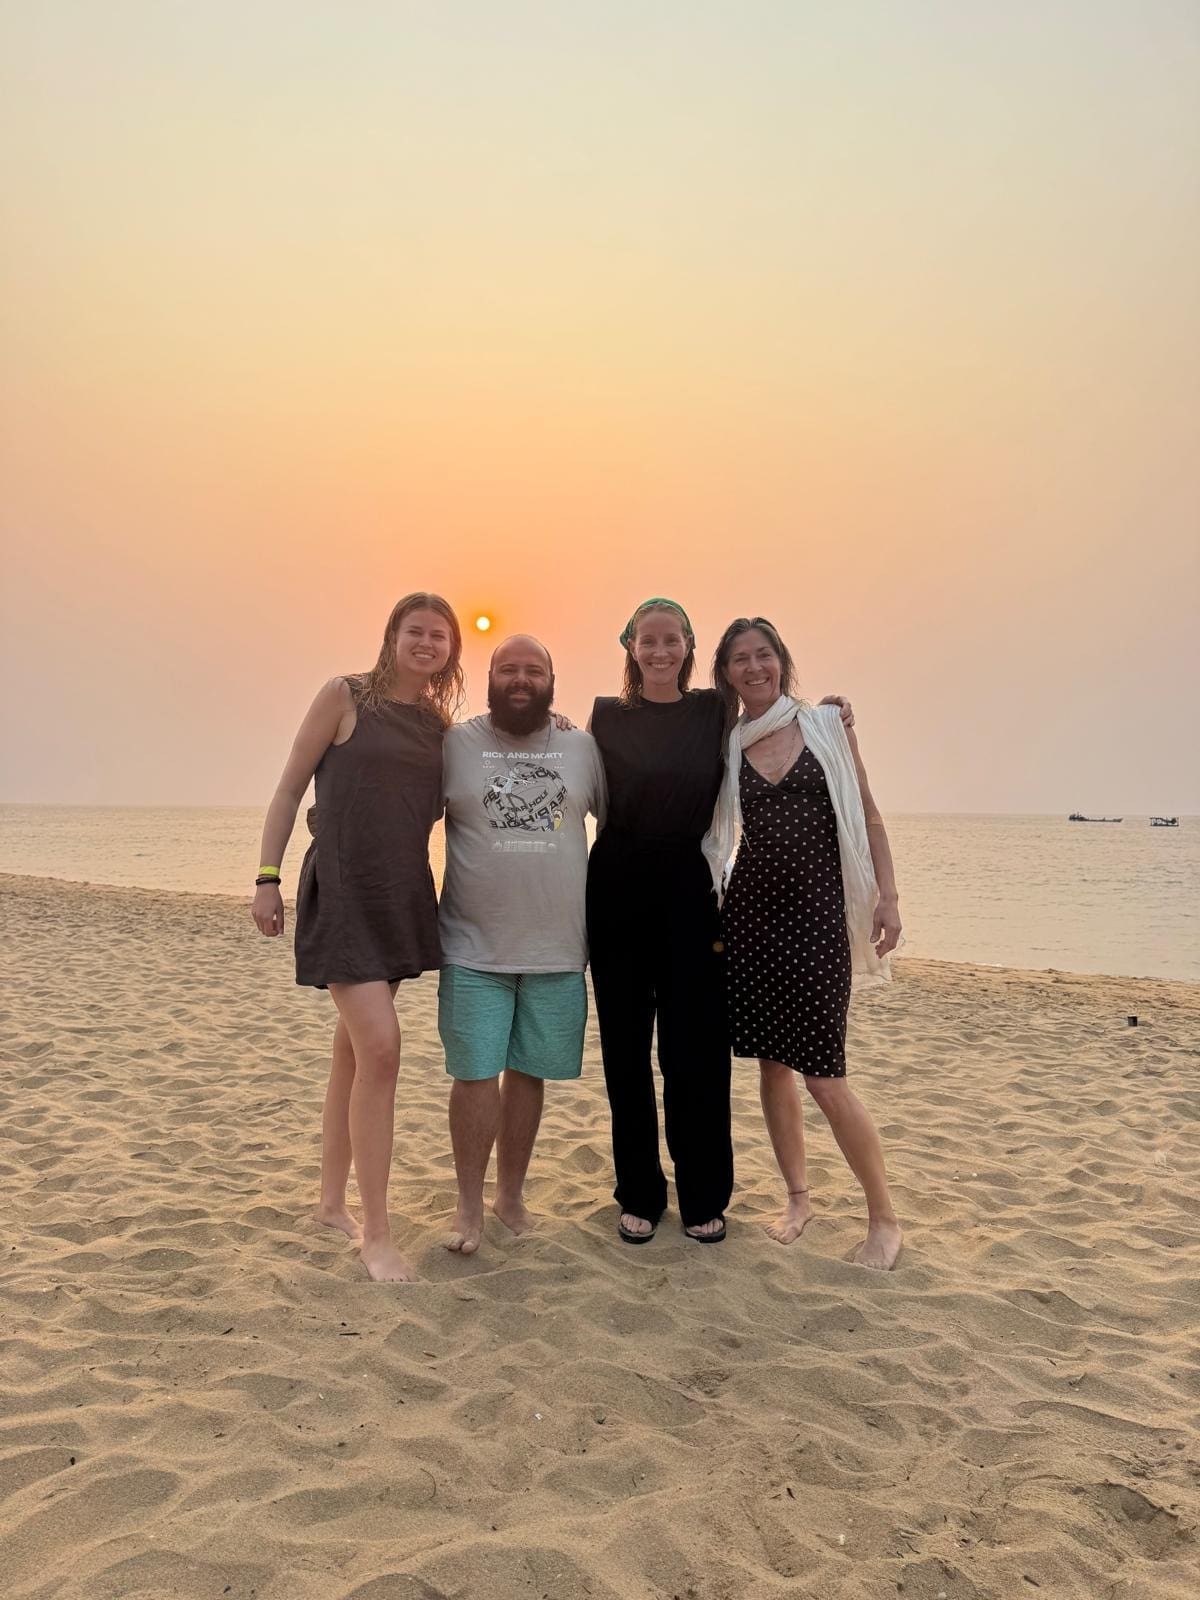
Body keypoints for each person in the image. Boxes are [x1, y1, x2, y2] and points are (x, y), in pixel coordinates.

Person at [586, 598, 853, 1247]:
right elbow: (570, 769)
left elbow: (773, 708)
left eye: (671, 639)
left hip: (690, 884)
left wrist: (832, 711)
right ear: (630, 646)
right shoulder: (601, 716)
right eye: (647, 640)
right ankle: (641, 1195)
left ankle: (704, 1195)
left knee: (695, 1053)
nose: (659, 650)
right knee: (626, 1055)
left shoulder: (713, 710)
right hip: (617, 883)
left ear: (687, 647)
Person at [251, 593, 463, 1282]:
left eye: (440, 635)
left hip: (400, 895)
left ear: (451, 649)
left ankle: (328, 1202)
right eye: (416, 631)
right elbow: (288, 790)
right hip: (341, 890)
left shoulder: (438, 725)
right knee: (381, 1048)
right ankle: (376, 1234)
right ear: (392, 635)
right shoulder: (343, 696)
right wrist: (265, 877)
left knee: (352, 1053)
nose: (427, 642)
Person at [705, 616, 903, 1270]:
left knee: (826, 1075)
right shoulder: (728, 744)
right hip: (752, 919)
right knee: (771, 1064)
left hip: (818, 920)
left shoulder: (824, 726)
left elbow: (867, 811)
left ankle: (883, 1218)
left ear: (781, 661)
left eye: (764, 655)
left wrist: (889, 897)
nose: (754, 667)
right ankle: (798, 1197)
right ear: (726, 673)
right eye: (740, 659)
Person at [437, 634, 606, 1255]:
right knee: (475, 1074)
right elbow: (401, 812)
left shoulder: (582, 748)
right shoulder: (457, 743)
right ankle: (467, 1206)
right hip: (471, 945)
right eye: (507, 669)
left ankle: (510, 1194)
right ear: (488, 676)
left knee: (528, 1073)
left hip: (558, 947)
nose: (520, 679)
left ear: (552, 682)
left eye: (533, 670)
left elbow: (624, 832)